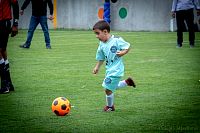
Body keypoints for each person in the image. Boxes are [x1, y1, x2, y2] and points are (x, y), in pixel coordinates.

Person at [92, 20, 136, 112]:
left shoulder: (116, 40)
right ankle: (126, 82)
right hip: (109, 69)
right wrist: (97, 67)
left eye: (97, 33)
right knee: (111, 86)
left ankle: (110, 107)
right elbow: (101, 57)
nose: (96, 36)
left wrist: (123, 52)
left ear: (105, 32)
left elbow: (128, 46)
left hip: (116, 70)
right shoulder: (101, 44)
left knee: (107, 88)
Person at [0, 0, 19, 94]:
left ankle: (4, 85)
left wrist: (15, 24)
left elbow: (15, 5)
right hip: (3, 23)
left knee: (1, 51)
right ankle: (9, 83)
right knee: (3, 51)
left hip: (3, 23)